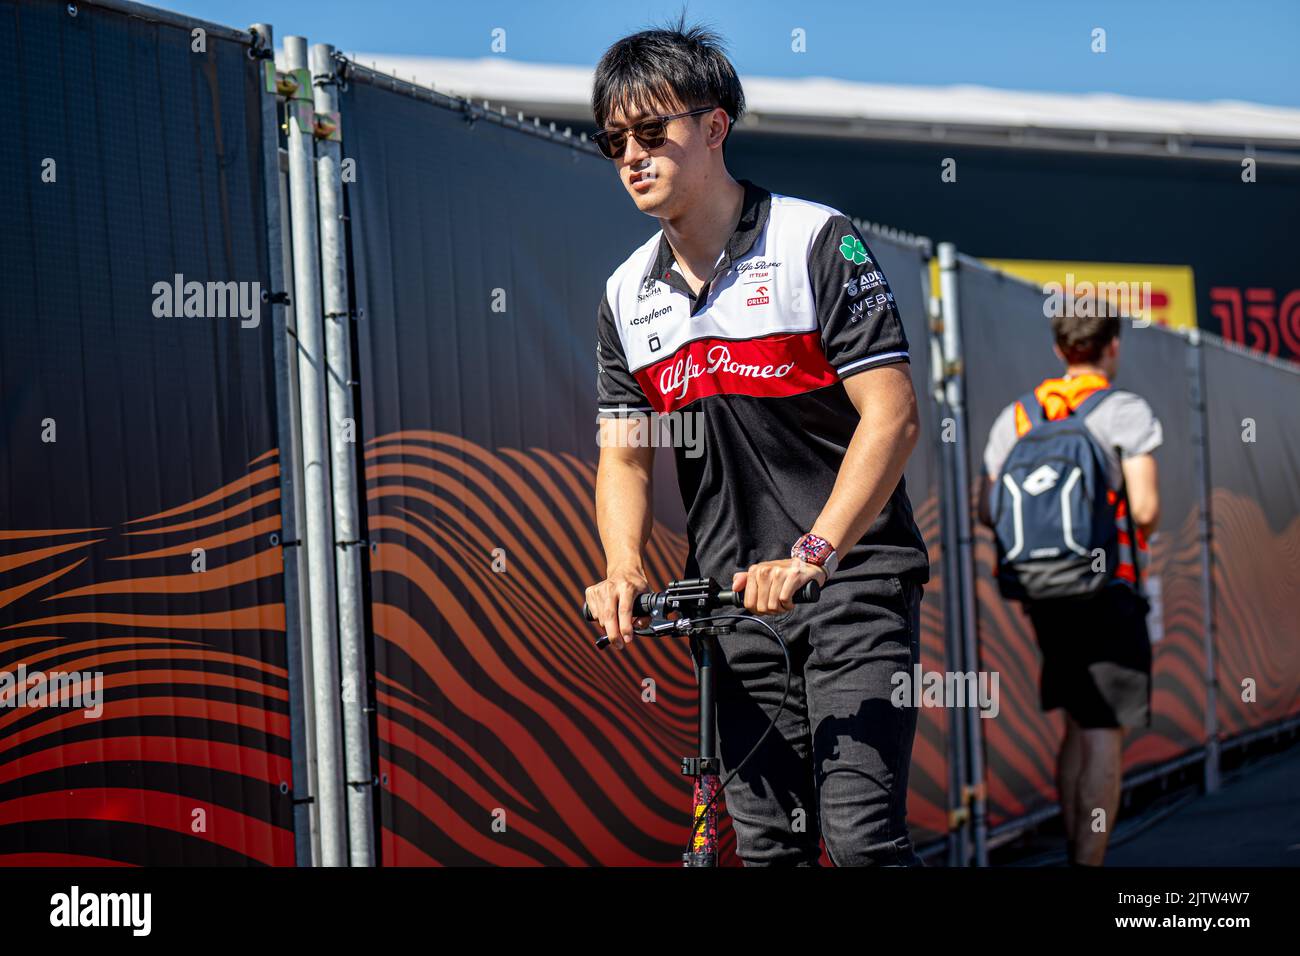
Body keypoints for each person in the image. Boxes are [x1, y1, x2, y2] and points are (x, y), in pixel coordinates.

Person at [582, 16, 930, 866]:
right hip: (731, 603)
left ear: (713, 127)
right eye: (614, 139)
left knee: (859, 843)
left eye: (652, 131)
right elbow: (624, 453)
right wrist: (624, 564)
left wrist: (814, 551)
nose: (633, 154)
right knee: (770, 849)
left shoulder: (816, 240)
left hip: (851, 580)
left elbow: (894, 415)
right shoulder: (625, 293)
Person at [977, 309, 1162, 867]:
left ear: (1060, 350)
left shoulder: (1017, 418)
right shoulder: (1125, 411)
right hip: (1109, 589)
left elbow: (986, 508)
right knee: (1104, 725)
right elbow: (1147, 509)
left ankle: (1075, 845)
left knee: (1077, 719)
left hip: (1043, 593)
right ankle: (1089, 861)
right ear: (1113, 347)